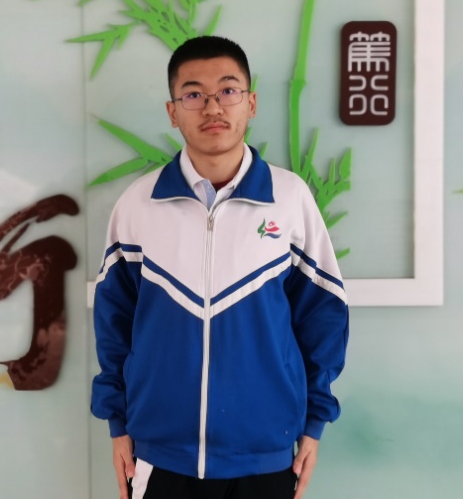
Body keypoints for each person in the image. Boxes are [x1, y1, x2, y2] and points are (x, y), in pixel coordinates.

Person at [91, 36, 350, 499]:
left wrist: (314, 423)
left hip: (266, 455)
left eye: (228, 91)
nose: (213, 107)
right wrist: (118, 423)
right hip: (160, 455)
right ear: (173, 111)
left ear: (251, 103)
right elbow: (114, 324)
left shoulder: (289, 199)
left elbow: (323, 315)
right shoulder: (138, 205)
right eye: (193, 94)